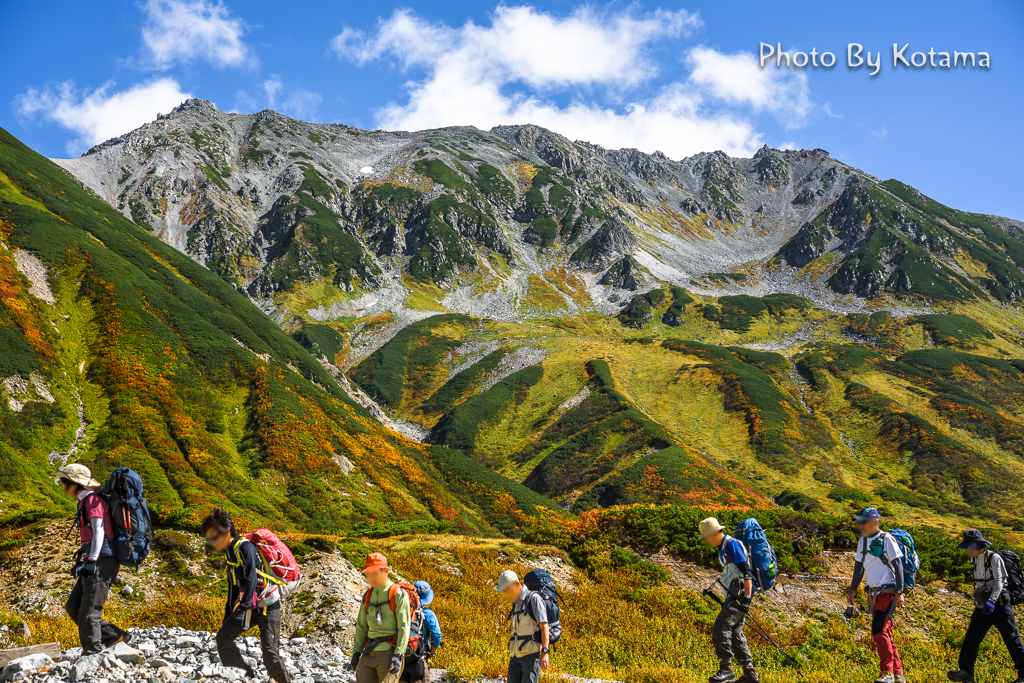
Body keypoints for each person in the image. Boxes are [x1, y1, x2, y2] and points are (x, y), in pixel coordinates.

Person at [202, 508, 291, 683]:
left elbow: (251, 577)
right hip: (248, 606)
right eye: (209, 538)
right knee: (223, 638)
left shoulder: (245, 547)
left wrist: (241, 609)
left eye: (214, 537)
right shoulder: (230, 552)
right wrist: (228, 614)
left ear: (227, 532)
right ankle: (245, 678)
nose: (212, 542)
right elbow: (233, 586)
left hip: (267, 607)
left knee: (271, 656)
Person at [58, 464, 128, 655]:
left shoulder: (93, 500)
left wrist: (91, 561)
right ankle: (114, 636)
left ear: (75, 484)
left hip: (103, 559)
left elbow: (99, 531)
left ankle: (93, 654)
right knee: (74, 606)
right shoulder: (84, 501)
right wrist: (83, 562)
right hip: (94, 559)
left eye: (65, 483)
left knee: (90, 611)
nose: (63, 487)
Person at [947, 529, 1024, 683]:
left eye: (970, 546)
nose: (968, 549)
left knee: (1011, 638)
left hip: (999, 603)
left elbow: (1000, 582)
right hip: (983, 605)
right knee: (972, 637)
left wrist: (992, 601)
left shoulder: (994, 558)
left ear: (979, 545)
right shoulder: (974, 560)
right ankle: (966, 672)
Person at [847, 507, 906, 683]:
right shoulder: (862, 541)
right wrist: (852, 589)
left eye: (863, 522)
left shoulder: (887, 539)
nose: (860, 525)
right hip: (873, 594)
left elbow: (898, 566)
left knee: (879, 630)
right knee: (885, 631)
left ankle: (886, 672)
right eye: (859, 522)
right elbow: (859, 568)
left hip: (888, 592)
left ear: (874, 522)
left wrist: (900, 593)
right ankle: (898, 675)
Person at [699, 517, 758, 683]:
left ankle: (726, 668)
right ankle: (749, 673)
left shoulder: (732, 544)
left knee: (720, 627)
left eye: (707, 537)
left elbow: (746, 571)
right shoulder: (723, 546)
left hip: (738, 593)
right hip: (733, 593)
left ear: (715, 533)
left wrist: (746, 597)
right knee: (735, 632)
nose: (707, 541)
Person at [351, 553, 410, 683]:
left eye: (375, 573)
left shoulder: (398, 594)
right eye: (368, 573)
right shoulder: (368, 595)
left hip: (390, 652)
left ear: (386, 571)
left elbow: (403, 627)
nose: (371, 577)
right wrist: (356, 653)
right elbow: (362, 626)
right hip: (369, 652)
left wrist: (398, 654)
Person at [498, 569, 550, 683]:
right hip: (515, 655)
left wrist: (544, 653)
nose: (506, 594)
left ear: (516, 584)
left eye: (507, 590)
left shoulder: (534, 599)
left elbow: (544, 627)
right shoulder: (516, 603)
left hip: (531, 655)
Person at [400, 581, 443, 683]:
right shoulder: (428, 614)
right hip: (419, 658)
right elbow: (436, 635)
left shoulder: (400, 610)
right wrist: (431, 653)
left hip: (399, 658)